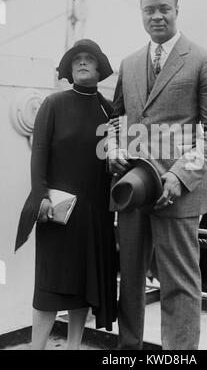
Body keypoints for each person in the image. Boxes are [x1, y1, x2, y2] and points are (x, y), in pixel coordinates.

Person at [108, 0, 207, 350]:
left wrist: (179, 175)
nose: (157, 16)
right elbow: (117, 118)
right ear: (141, 14)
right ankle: (129, 350)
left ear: (177, 10)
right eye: (149, 10)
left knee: (179, 283)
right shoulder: (129, 64)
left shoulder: (203, 59)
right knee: (129, 280)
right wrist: (113, 147)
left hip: (179, 193)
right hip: (133, 188)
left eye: (164, 9)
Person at [15, 39, 117, 350]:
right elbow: (39, 153)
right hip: (57, 209)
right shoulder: (54, 104)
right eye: (77, 60)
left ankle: (74, 345)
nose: (84, 63)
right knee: (49, 284)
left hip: (96, 211)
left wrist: (117, 145)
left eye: (90, 59)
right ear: (69, 69)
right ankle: (38, 347)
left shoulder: (109, 110)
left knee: (84, 284)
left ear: (99, 69)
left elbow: (114, 161)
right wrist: (40, 196)